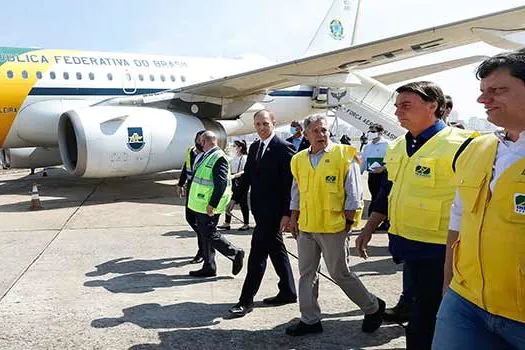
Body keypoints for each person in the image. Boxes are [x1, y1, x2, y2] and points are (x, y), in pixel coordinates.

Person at [355, 81, 477, 349]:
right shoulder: (398, 146)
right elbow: (387, 192)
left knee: (429, 319)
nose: (398, 112)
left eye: (406, 106)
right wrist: (368, 228)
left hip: (442, 250)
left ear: (433, 106)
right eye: (397, 106)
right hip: (407, 246)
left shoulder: (463, 146)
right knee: (420, 308)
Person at [433, 51, 525, 349]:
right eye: (483, 92)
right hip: (465, 304)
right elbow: (458, 222)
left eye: (497, 91)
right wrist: (449, 287)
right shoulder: (475, 149)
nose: (483, 100)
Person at [285, 114, 385, 336]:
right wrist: (293, 217)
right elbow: (296, 192)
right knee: (307, 273)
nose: (321, 135)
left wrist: (349, 222)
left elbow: (354, 194)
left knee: (340, 273)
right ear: (307, 133)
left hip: (334, 227)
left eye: (324, 130)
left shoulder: (343, 155)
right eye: (316, 131)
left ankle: (373, 307)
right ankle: (310, 320)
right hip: (307, 226)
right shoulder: (299, 159)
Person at [228, 109, 297, 317]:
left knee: (257, 254)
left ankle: (245, 300)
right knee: (276, 250)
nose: (261, 128)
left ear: (273, 123)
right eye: (257, 124)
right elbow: (248, 176)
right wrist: (234, 199)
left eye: (265, 124)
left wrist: (287, 213)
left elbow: (290, 185)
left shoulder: (283, 148)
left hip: (274, 213)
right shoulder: (256, 146)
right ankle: (288, 291)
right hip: (259, 209)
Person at [187, 131, 245, 277]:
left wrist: (212, 204)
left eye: (201, 141)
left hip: (209, 205)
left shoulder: (218, 157)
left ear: (205, 141)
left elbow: (221, 183)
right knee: (205, 234)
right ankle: (209, 265)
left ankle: (235, 252)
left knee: (209, 233)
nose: (199, 144)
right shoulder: (208, 155)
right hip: (201, 204)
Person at [177, 130, 206, 264]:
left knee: (201, 223)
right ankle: (205, 238)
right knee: (190, 218)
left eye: (204, 140)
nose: (202, 142)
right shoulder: (191, 152)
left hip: (202, 193)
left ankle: (202, 251)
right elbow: (185, 168)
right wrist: (180, 183)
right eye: (200, 140)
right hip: (191, 191)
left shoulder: (209, 155)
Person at [360, 124, 389, 223]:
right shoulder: (367, 146)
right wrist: (358, 173)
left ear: (380, 132)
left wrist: (383, 168)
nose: (370, 134)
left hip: (384, 175)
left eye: (373, 132)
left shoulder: (387, 144)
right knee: (374, 196)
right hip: (372, 175)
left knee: (381, 197)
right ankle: (372, 222)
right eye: (370, 132)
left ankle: (381, 222)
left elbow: (392, 160)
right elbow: (363, 161)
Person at [218, 140, 250, 231]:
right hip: (232, 180)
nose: (233, 147)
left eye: (235, 146)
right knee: (228, 200)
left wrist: (235, 175)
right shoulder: (234, 157)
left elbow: (245, 170)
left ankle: (246, 223)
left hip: (241, 181)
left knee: (243, 203)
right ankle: (227, 222)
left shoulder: (244, 158)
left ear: (240, 147)